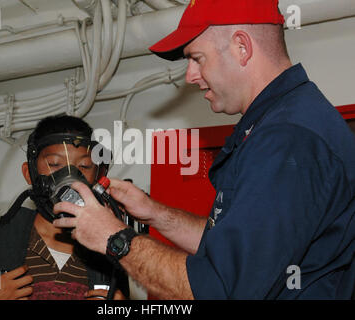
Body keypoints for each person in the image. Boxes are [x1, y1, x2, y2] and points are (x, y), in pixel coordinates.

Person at [53, 0, 355, 299]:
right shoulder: (284, 122)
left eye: (197, 58)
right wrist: (152, 212)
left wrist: (113, 238)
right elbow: (235, 250)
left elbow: (219, 289)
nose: (190, 76)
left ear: (242, 47)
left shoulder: (287, 139)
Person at [0, 115, 128, 300]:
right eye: (54, 164)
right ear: (30, 174)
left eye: (84, 166)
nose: (69, 176)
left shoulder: (112, 245)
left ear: (98, 176)